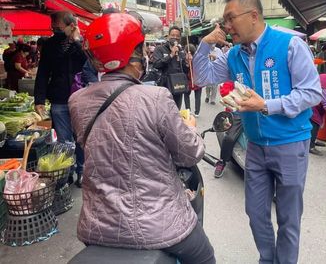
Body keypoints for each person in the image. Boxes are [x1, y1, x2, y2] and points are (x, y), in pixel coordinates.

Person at [68, 13, 215, 264]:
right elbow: (190, 153)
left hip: (97, 225)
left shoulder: (77, 101)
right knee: (206, 258)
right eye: (142, 48)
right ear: (134, 54)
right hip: (161, 225)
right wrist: (189, 127)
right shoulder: (155, 97)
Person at [192, 0, 321, 264]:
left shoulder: (289, 45)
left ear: (253, 15)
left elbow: (311, 93)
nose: (226, 26)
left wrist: (266, 105)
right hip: (255, 145)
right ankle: (267, 258)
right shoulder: (234, 54)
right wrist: (205, 45)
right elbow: (202, 77)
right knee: (256, 212)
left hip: (290, 142)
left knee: (288, 217)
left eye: (230, 18)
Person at [34, 11, 86, 187]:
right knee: (64, 141)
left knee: (81, 138)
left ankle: (82, 170)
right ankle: (67, 173)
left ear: (71, 26)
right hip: (59, 99)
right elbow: (42, 72)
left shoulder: (82, 43)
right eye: (53, 27)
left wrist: (76, 41)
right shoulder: (50, 44)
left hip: (80, 98)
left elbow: (89, 62)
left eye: (58, 27)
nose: (54, 30)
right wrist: (39, 99)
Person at [152, 26, 190, 108]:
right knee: (163, 111)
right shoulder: (160, 49)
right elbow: (156, 64)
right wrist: (171, 55)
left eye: (177, 36)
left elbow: (185, 71)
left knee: (176, 110)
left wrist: (187, 63)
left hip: (178, 87)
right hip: (164, 86)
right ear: (168, 36)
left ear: (180, 37)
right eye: (173, 35)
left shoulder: (181, 51)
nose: (175, 37)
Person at [184, 44, 202, 117]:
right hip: (196, 79)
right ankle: (195, 112)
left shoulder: (193, 58)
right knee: (196, 96)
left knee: (187, 95)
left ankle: (190, 110)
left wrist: (188, 62)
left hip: (192, 79)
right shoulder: (198, 58)